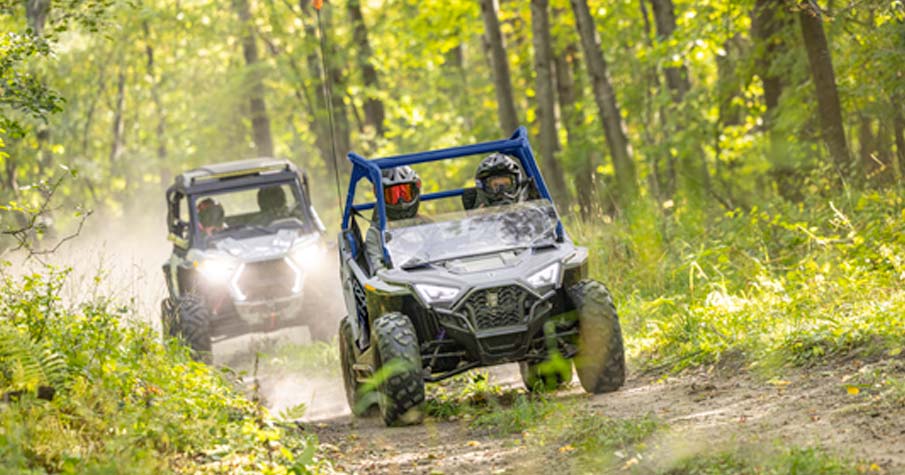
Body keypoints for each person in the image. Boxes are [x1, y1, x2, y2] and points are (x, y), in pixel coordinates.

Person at [365, 166, 424, 270]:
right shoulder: (375, 235)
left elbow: (443, 254)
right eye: (393, 196)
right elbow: (379, 271)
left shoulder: (426, 224)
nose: (401, 202)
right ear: (381, 196)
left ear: (415, 192)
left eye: (405, 193)